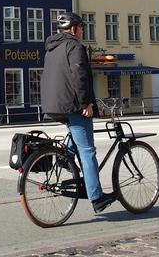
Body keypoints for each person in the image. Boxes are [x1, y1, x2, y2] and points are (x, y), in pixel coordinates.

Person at [40, 12, 118, 214]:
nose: (83, 32)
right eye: (82, 28)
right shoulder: (74, 46)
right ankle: (97, 198)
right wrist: (86, 103)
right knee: (88, 151)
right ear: (74, 29)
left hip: (53, 105)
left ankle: (64, 158)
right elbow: (79, 75)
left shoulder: (52, 48)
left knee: (77, 137)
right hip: (73, 105)